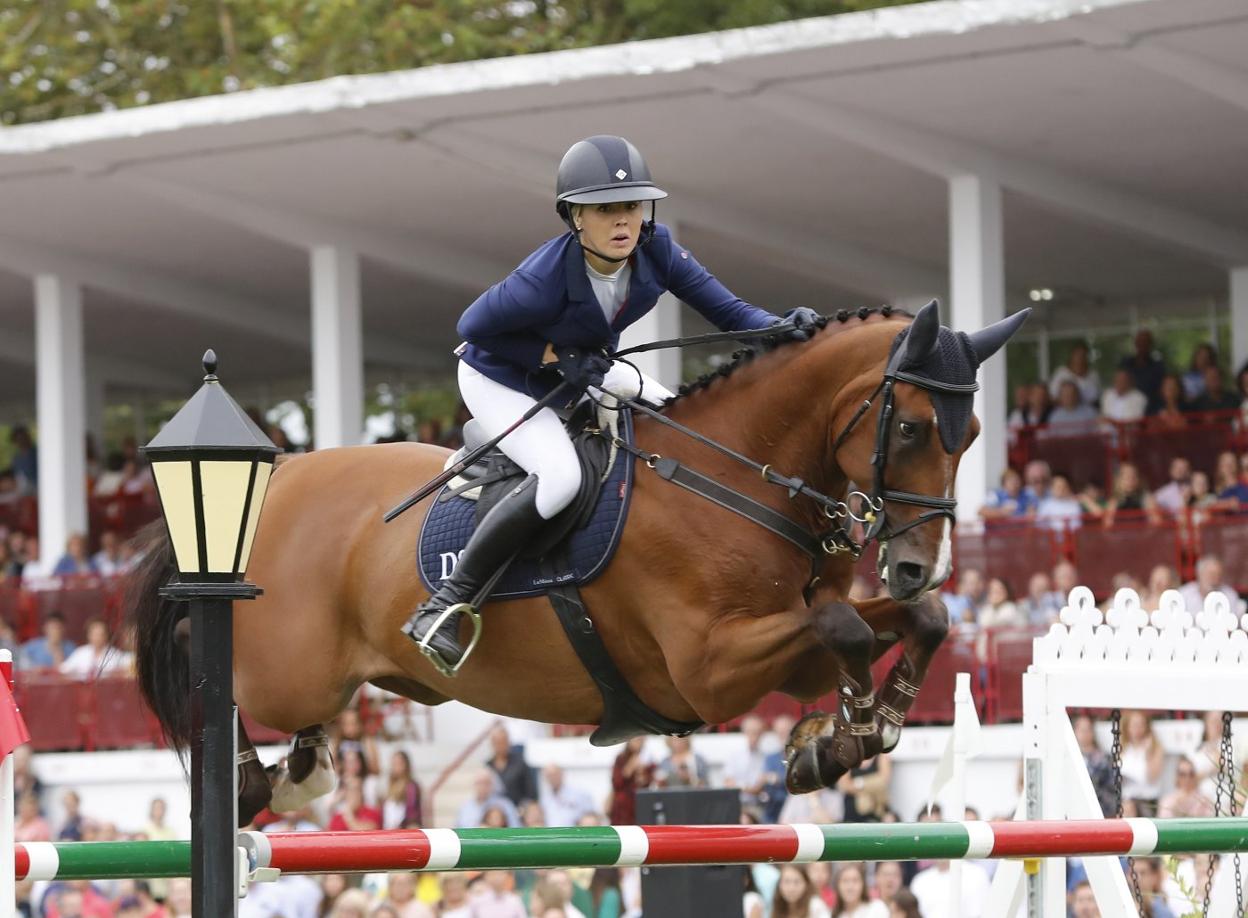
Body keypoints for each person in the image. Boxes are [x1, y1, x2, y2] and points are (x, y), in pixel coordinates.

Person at [402, 135, 815, 673]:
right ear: (575, 217)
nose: (624, 221)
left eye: (632, 206)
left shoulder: (657, 249)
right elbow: (472, 328)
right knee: (560, 478)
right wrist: (552, 354)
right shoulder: (541, 278)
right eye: (605, 210)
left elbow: (729, 310)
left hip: (584, 368)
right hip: (497, 375)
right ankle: (445, 605)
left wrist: (785, 329)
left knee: (681, 425)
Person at [1119, 710, 1165, 817]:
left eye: (1141, 725)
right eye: (1134, 725)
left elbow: (1153, 776)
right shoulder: (1123, 748)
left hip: (1147, 800)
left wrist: (1148, 754)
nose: (1138, 729)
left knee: (1127, 809)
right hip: (1127, 798)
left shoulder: (1155, 747)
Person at [1073, 714, 1116, 817]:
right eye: (1082, 730)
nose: (1085, 734)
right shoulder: (1069, 758)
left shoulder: (1104, 758)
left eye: (1088, 730)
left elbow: (1111, 785)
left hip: (1100, 803)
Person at [59, 618, 131, 680]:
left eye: (100, 634)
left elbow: (129, 670)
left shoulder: (115, 654)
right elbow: (63, 671)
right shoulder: (80, 653)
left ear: (106, 635)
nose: (97, 638)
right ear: (88, 635)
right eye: (94, 634)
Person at [485, 724, 535, 808]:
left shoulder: (520, 763)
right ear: (492, 744)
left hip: (518, 811)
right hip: (494, 814)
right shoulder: (488, 766)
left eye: (503, 742)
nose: (501, 746)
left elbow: (531, 793)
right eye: (498, 742)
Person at [608, 737, 653, 826]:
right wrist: (630, 766)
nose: (638, 743)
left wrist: (643, 776)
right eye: (636, 740)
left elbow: (650, 782)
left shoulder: (648, 758)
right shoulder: (621, 758)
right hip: (623, 808)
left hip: (640, 805)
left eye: (641, 740)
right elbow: (617, 782)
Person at [1120, 330, 1166, 413]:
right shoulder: (1126, 364)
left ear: (1150, 344)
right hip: (1129, 409)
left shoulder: (1158, 367)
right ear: (1135, 344)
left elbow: (1161, 391)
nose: (1142, 345)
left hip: (1151, 411)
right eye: (1140, 342)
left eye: (1145, 342)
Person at [1102, 462, 1160, 527]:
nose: (1130, 479)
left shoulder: (1146, 498)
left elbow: (1156, 522)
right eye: (1126, 476)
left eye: (1133, 476)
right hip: (1120, 535)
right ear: (1119, 479)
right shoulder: (1114, 500)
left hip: (1143, 534)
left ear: (1138, 479)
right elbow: (1108, 524)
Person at [381, 749, 424, 829]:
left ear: (406, 765)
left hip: (404, 830)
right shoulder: (389, 787)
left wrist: (402, 826)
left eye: (399, 763)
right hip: (388, 830)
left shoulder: (411, 786)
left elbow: (413, 813)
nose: (396, 767)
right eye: (393, 763)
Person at [1048, 342, 1100, 406]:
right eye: (1077, 355)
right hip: (1064, 411)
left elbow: (1096, 399)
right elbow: (1052, 397)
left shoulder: (1093, 375)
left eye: (1083, 355)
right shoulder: (1061, 372)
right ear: (1072, 356)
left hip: (1087, 412)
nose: (1080, 358)